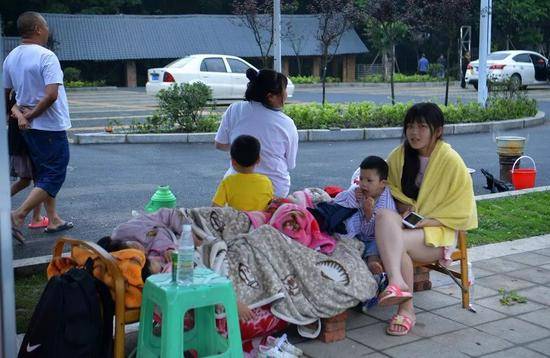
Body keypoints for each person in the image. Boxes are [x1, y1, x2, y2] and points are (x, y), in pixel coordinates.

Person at [375, 103, 477, 336]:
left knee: (394, 242)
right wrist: (404, 208)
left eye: (422, 126)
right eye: (410, 126)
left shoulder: (451, 161)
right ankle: (398, 285)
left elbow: (463, 211)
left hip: (438, 235)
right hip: (407, 228)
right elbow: (388, 188)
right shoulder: (399, 156)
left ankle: (405, 305)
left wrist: (429, 221)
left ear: (437, 130)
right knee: (383, 216)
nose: (414, 132)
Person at [4, 12, 73, 234]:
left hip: (29, 130)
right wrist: (31, 114)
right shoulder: (46, 56)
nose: (48, 30)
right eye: (45, 26)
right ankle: (19, 214)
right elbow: (52, 94)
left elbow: (6, 94)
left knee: (43, 174)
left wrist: (23, 116)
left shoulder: (11, 56)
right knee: (54, 174)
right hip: (49, 126)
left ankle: (53, 219)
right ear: (37, 29)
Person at [214, 68, 299, 198]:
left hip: (237, 186)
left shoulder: (235, 109)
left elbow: (220, 144)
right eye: (284, 90)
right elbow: (290, 163)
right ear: (270, 97)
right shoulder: (287, 123)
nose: (286, 95)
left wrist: (243, 149)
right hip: (274, 189)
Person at [334, 156, 397, 275]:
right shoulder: (359, 191)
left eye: (369, 181)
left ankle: (373, 262)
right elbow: (339, 200)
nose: (363, 184)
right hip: (357, 234)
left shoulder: (386, 204)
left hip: (374, 236)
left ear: (382, 183)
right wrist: (353, 194)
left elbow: (370, 234)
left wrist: (369, 215)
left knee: (377, 245)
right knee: (344, 241)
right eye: (361, 179)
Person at [7, 92, 48, 229]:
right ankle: (36, 218)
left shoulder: (16, 90)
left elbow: (12, 107)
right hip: (26, 140)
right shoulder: (24, 89)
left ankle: (37, 217)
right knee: (40, 179)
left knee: (26, 180)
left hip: (18, 139)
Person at [212, 135, 274, 211]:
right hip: (259, 221)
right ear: (258, 160)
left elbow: (215, 207)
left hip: (237, 221)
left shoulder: (228, 182)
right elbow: (269, 204)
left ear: (233, 161)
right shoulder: (266, 182)